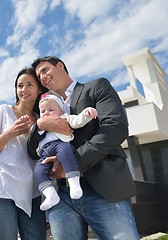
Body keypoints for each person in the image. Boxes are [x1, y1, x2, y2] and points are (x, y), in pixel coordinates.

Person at [27, 56, 140, 240]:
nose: (42, 77)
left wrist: (72, 164)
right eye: (39, 76)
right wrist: (40, 124)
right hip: (61, 197)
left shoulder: (96, 87)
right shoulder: (44, 108)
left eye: (45, 70)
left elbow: (115, 128)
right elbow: (33, 151)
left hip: (103, 189)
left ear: (60, 66)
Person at [0, 67, 47, 240]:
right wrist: (11, 132)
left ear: (39, 88)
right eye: (20, 86)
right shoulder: (3, 111)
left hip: (33, 194)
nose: (24, 90)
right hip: (2, 192)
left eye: (30, 85)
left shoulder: (42, 119)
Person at [34, 91, 98, 211]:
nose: (46, 113)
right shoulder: (41, 126)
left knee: (66, 153)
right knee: (38, 171)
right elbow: (33, 137)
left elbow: (78, 121)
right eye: (42, 111)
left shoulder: (64, 118)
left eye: (50, 110)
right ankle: (50, 194)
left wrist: (87, 113)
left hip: (60, 144)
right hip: (44, 152)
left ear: (60, 110)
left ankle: (74, 183)